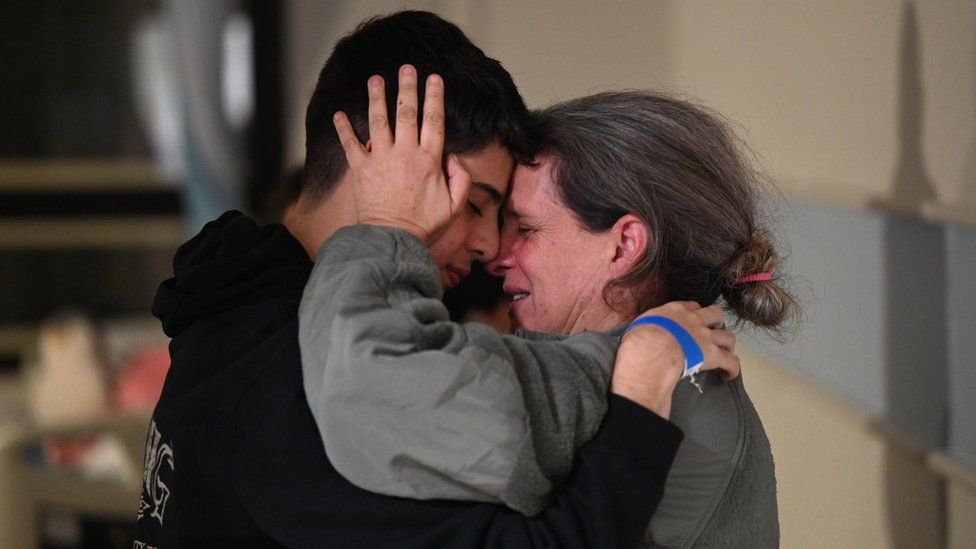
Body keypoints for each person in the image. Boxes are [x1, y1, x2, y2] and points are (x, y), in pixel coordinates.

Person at [135, 11, 738, 548]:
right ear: (384, 161)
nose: (488, 246)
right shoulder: (300, 376)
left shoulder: (240, 298)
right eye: (475, 202)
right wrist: (637, 395)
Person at [301, 91, 797, 547]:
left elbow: (370, 376)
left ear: (624, 245)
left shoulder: (634, 376)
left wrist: (392, 223)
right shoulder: (690, 379)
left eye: (528, 228)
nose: (496, 254)